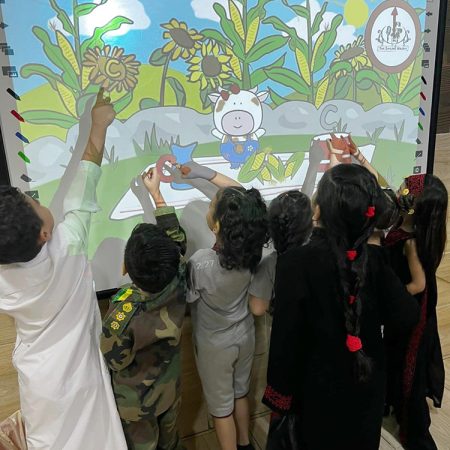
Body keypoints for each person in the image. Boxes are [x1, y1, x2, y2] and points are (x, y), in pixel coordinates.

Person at [0, 90, 127, 449]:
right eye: (34, 202)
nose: (39, 200)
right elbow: (88, 168)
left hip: (40, 379)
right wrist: (98, 124)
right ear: (44, 233)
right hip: (82, 373)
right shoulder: (69, 244)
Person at [262, 164, 419, 450]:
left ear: (318, 210)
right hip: (368, 385)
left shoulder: (296, 262)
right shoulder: (375, 258)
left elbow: (285, 339)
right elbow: (407, 314)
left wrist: (279, 399)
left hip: (315, 391)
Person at [177, 161, 268, 450]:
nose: (209, 205)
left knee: (221, 408)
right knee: (241, 394)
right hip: (244, 336)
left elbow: (189, 298)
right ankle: (245, 443)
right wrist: (203, 173)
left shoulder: (202, 262)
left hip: (215, 345)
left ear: (216, 225)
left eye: (210, 205)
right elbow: (243, 201)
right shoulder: (257, 253)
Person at [101, 168, 187, 450]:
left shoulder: (124, 310)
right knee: (170, 442)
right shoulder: (178, 278)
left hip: (136, 405)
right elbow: (177, 243)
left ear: (126, 269)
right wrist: (156, 195)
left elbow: (115, 360)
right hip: (169, 390)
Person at [383, 174, 447, 450]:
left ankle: (415, 430)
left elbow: (419, 284)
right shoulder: (408, 224)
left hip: (412, 314)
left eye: (406, 188)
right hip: (406, 311)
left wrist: (391, 298)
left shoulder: (412, 243)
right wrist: (360, 157)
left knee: (408, 368)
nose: (400, 189)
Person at [248, 190, 313, 316]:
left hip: (288, 329)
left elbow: (257, 308)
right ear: (311, 222)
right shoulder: (323, 254)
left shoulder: (270, 264)